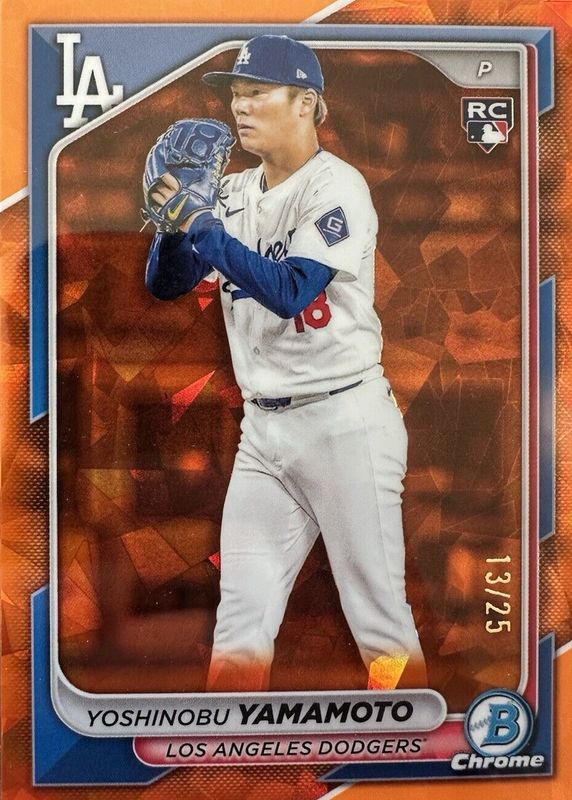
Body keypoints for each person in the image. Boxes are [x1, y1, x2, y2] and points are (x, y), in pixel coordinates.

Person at [145, 35, 425, 692]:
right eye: (235, 95)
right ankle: (227, 744)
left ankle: (412, 738)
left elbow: (290, 290)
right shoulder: (233, 191)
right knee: (240, 620)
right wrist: (173, 227)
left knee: (379, 622)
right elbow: (166, 284)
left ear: (306, 102)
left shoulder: (336, 187)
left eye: (256, 92)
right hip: (264, 433)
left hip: (344, 422)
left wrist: (204, 227)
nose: (239, 107)